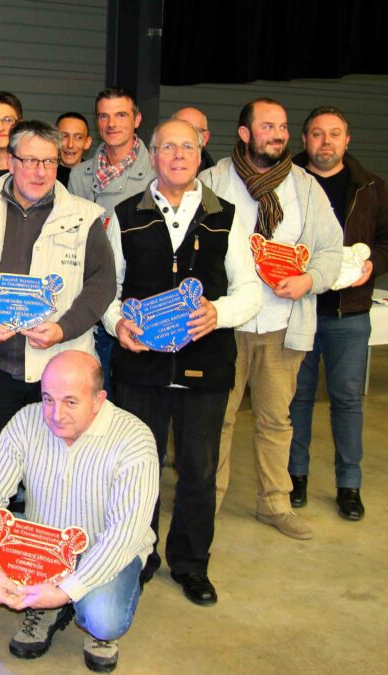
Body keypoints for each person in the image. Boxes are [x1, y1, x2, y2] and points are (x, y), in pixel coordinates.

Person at [102, 119, 261, 604]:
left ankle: (191, 563)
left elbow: (250, 290)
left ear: (199, 154)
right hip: (141, 367)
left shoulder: (227, 216)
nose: (177, 155)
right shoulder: (125, 215)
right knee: (138, 468)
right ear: (152, 155)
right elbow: (106, 288)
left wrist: (220, 314)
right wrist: (117, 324)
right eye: (167, 147)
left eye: (186, 147)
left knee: (199, 470)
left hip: (205, 365)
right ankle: (138, 555)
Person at [0, 119, 115, 495]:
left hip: (58, 368)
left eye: (49, 162)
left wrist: (63, 329)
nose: (40, 171)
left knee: (57, 475)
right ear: (10, 161)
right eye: (30, 161)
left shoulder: (84, 217)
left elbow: (102, 284)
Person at [0, 351, 157, 673]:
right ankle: (44, 602)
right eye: (48, 399)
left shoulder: (134, 438)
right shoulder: (26, 421)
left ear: (99, 400)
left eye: (71, 402)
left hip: (102, 548)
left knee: (104, 618)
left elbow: (124, 535)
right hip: (42, 545)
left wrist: (65, 590)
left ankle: (69, 605)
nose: (56, 414)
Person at [201, 98, 343, 540]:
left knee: (276, 420)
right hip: (226, 327)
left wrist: (308, 281)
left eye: (282, 126)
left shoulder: (305, 187)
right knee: (218, 418)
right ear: (245, 133)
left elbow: (330, 249)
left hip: (282, 326)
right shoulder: (213, 181)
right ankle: (207, 501)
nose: (278, 134)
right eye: (267, 126)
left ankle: (275, 504)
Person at [288, 106, 388, 521]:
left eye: (334, 134)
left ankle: (349, 484)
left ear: (347, 140)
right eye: (317, 133)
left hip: (349, 314)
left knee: (347, 400)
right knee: (297, 399)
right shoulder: (287, 182)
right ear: (304, 140)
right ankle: (295, 477)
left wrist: (373, 265)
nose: (325, 141)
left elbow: (386, 240)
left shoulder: (371, 187)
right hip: (298, 310)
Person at [69, 87, 157, 394]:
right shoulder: (79, 175)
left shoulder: (157, 173)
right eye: (104, 116)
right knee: (93, 390)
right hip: (91, 297)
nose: (111, 123)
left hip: (138, 299)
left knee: (135, 396)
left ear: (137, 119)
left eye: (121, 115)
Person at [56, 112, 92, 187]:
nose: (70, 145)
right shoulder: (43, 175)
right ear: (54, 139)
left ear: (87, 142)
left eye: (78, 137)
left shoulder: (95, 178)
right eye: (64, 136)